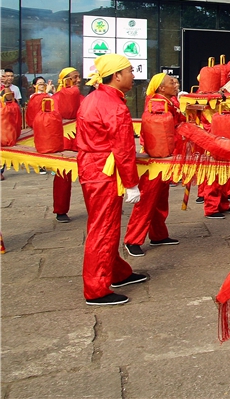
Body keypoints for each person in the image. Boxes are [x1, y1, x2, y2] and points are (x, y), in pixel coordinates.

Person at [77, 54, 147, 306]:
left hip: (91, 169)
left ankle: (117, 272)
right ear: (116, 75)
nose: (132, 74)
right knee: (103, 228)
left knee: (103, 225)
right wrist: (131, 183)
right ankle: (96, 289)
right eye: (129, 70)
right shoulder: (114, 105)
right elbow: (123, 148)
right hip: (104, 173)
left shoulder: (93, 98)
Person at [124, 73, 183, 257]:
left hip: (166, 156)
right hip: (156, 159)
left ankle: (158, 235)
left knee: (160, 199)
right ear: (161, 88)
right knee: (147, 200)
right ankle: (132, 240)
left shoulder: (169, 101)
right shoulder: (158, 104)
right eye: (171, 82)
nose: (175, 84)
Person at [51, 68, 85, 223]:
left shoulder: (83, 98)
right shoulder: (55, 99)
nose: (78, 80)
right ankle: (60, 210)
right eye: (74, 77)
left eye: (78, 77)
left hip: (83, 142)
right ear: (65, 80)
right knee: (62, 178)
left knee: (90, 178)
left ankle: (97, 208)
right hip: (64, 142)